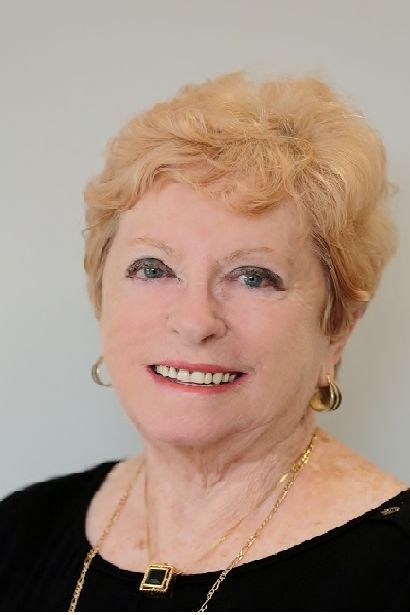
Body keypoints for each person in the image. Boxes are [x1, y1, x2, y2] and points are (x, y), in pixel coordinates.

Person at [1, 70, 409, 612]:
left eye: (253, 277)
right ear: (101, 295)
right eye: (153, 268)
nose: (195, 322)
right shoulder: (18, 532)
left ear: (338, 328)